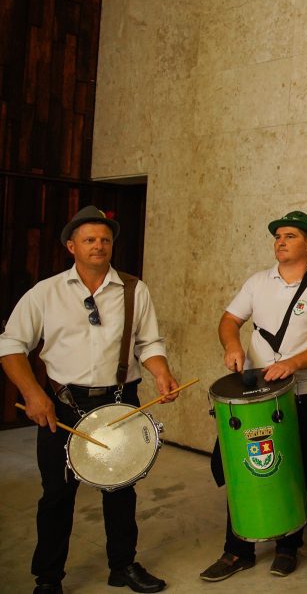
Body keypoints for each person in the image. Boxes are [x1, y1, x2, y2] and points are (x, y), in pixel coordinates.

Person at [0, 206, 179, 594]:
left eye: (105, 240)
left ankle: (123, 565)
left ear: (112, 245)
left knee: (121, 488)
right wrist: (33, 394)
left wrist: (161, 372)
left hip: (119, 401)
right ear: (71, 246)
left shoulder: (134, 288)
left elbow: (148, 343)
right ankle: (48, 578)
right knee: (57, 494)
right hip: (62, 404)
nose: (98, 246)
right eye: (89, 240)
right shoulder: (45, 292)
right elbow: (11, 345)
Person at [200, 211, 307, 581]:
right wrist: (232, 345)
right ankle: (237, 551)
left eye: (290, 236)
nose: (280, 241)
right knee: (243, 468)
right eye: (278, 236)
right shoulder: (256, 282)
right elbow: (229, 320)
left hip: (302, 394)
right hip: (255, 395)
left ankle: (288, 546)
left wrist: (293, 363)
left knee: (294, 469)